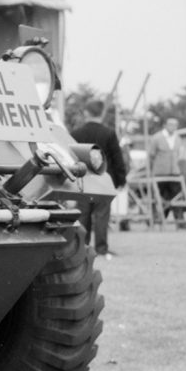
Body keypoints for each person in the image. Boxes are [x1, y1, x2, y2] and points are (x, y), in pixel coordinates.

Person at [71, 99, 127, 256]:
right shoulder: (109, 133)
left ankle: (82, 248)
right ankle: (101, 249)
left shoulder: (76, 133)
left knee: (83, 216)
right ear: (102, 113)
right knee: (102, 216)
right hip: (104, 181)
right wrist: (121, 179)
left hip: (82, 181)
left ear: (86, 113)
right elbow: (117, 158)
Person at [147, 117, 186, 227]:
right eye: (170, 124)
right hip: (159, 173)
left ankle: (180, 221)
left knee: (177, 197)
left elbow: (178, 155)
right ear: (165, 125)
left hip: (174, 173)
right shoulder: (156, 138)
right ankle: (156, 219)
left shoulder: (178, 138)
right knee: (158, 197)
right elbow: (151, 155)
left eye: (175, 125)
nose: (173, 127)